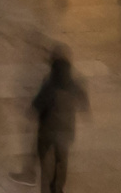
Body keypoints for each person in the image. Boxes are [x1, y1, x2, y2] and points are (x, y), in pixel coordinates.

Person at [31, 46, 87, 193]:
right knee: (62, 161)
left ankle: (45, 188)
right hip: (66, 131)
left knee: (45, 164)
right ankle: (58, 188)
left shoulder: (49, 84)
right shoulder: (74, 83)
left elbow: (37, 105)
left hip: (47, 132)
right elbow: (83, 102)